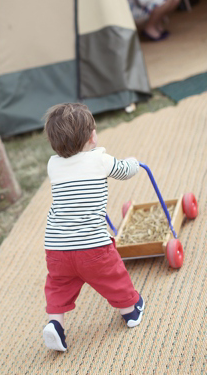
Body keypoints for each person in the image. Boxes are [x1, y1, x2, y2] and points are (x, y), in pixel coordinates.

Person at [41, 103, 144, 352]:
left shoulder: (53, 165)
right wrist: (134, 162)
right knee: (112, 276)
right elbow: (124, 171)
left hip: (57, 247)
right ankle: (130, 310)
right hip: (92, 246)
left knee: (58, 286)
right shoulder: (99, 159)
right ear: (92, 137)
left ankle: (55, 324)